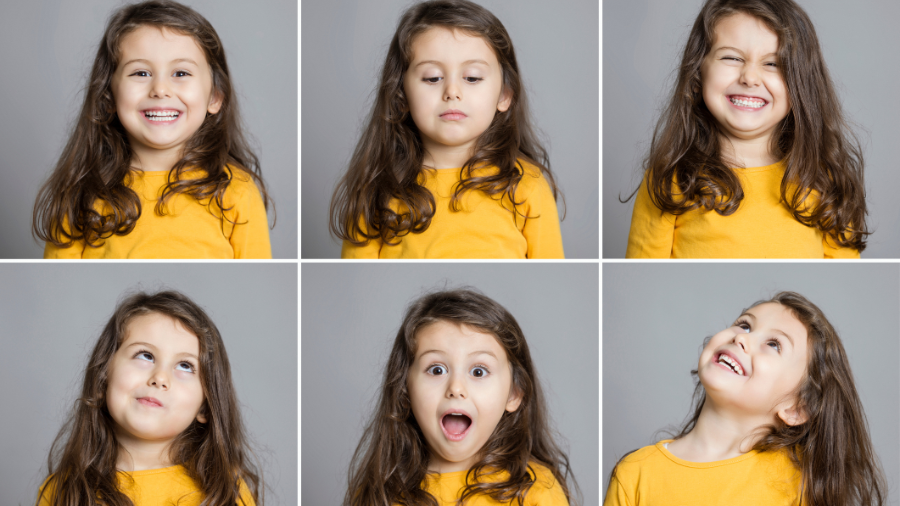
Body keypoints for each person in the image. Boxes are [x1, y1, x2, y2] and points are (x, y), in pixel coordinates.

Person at [625, 0, 868, 258]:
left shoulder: (825, 183)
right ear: (697, 75)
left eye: (773, 63)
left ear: (801, 85)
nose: (750, 77)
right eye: (732, 57)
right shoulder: (669, 182)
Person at [34, 0, 272, 259]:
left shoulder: (238, 192)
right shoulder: (81, 195)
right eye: (141, 73)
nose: (160, 89)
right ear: (108, 97)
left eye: (181, 73)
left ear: (215, 96)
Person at [330, 0, 563, 259]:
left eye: (472, 77)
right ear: (401, 97)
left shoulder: (527, 187)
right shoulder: (377, 192)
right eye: (432, 78)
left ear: (505, 94)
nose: (452, 92)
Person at [605, 292, 886, 505]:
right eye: (744, 325)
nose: (742, 339)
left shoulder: (800, 484)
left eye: (774, 344)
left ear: (797, 408)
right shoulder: (635, 473)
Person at [345, 289, 575, 505]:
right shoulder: (378, 495)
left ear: (514, 394)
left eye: (478, 371)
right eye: (437, 370)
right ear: (404, 391)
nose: (456, 387)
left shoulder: (536, 491)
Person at [36, 291, 260, 506]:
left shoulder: (227, 493)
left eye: (185, 365)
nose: (160, 378)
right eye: (146, 355)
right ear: (103, 379)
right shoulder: (61, 492)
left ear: (205, 408)